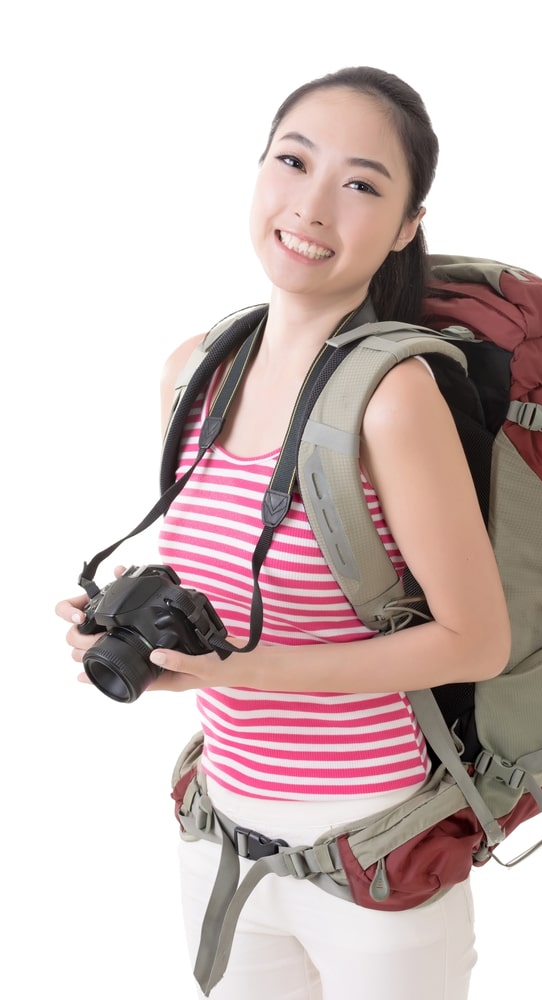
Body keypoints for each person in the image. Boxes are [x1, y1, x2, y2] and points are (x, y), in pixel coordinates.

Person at [56, 66, 511, 1000]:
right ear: (258, 170)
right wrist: (145, 643)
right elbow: (228, 590)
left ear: (404, 226)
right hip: (221, 838)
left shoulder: (393, 397)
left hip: (372, 858)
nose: (311, 205)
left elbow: (477, 640)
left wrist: (240, 669)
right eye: (292, 161)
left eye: (359, 183)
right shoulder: (192, 370)